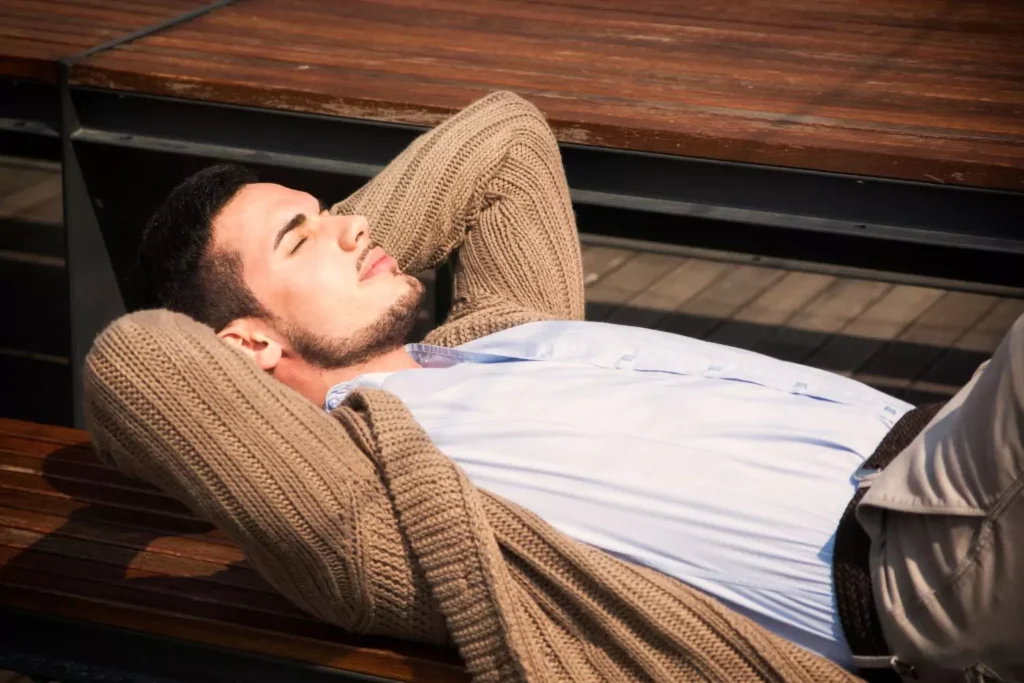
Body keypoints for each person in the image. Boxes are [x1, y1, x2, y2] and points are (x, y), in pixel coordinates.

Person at [131, 91, 1021, 682]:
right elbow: (137, 363)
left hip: (949, 447)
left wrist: (339, 266)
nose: (355, 222)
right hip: (926, 563)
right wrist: (292, 328)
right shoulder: (373, 510)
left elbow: (505, 136)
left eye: (335, 212)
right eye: (303, 236)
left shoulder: (501, 330)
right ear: (239, 347)